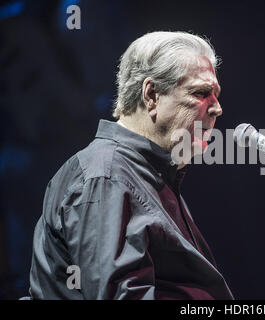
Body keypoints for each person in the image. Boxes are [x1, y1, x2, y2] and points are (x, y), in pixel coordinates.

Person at [28, 31, 234, 300]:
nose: (217, 108)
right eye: (201, 93)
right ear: (151, 95)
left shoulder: (148, 174)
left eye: (216, 95)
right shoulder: (107, 177)